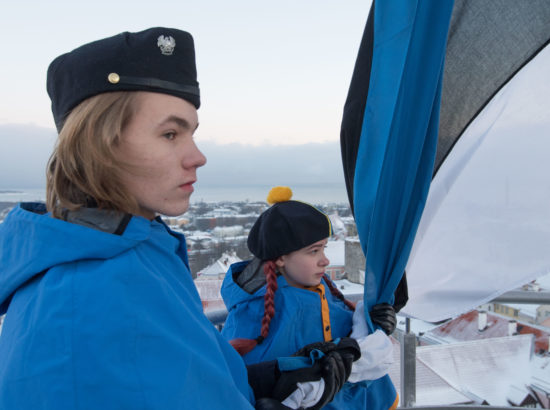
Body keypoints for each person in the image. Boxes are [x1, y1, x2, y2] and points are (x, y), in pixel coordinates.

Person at [0, 28, 354, 410]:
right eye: (170, 133)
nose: (198, 156)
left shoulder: (140, 253)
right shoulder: (86, 301)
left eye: (191, 133)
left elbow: (186, 378)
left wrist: (274, 379)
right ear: (99, 146)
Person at [221, 187, 397, 410]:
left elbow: (351, 350)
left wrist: (372, 323)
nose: (325, 260)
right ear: (281, 258)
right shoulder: (253, 314)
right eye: (314, 251)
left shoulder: (323, 290)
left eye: (323, 249)